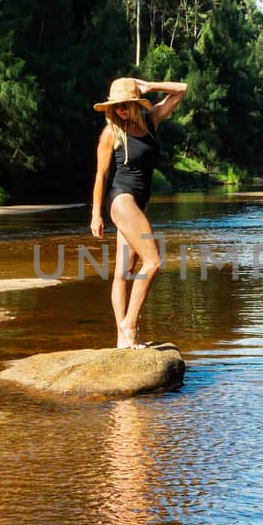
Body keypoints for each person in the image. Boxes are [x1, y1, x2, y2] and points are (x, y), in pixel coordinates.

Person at [90, 75, 187, 348]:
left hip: (139, 202)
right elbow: (101, 175)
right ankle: (130, 325)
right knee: (153, 261)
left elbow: (182, 90)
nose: (120, 109)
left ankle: (122, 339)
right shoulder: (111, 133)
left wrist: (152, 86)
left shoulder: (151, 122)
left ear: (136, 103)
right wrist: (96, 214)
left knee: (124, 270)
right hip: (121, 200)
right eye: (116, 105)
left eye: (126, 104)